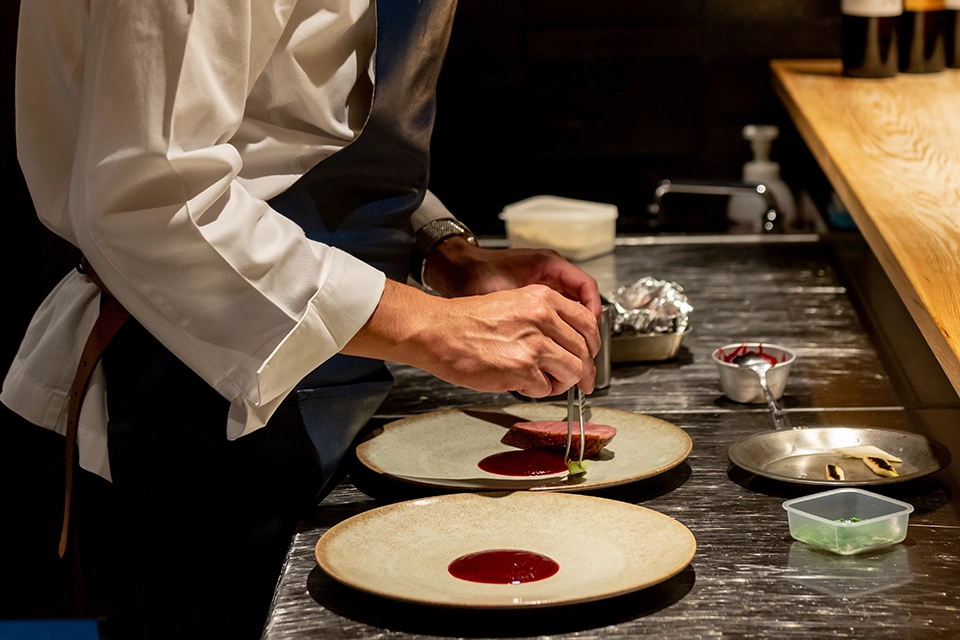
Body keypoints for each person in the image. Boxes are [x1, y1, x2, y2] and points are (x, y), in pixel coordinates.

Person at [3, 0, 601, 637]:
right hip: (189, 400)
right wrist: (429, 326)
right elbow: (152, 198)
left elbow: (294, 130)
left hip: (339, 393)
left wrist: (444, 250)